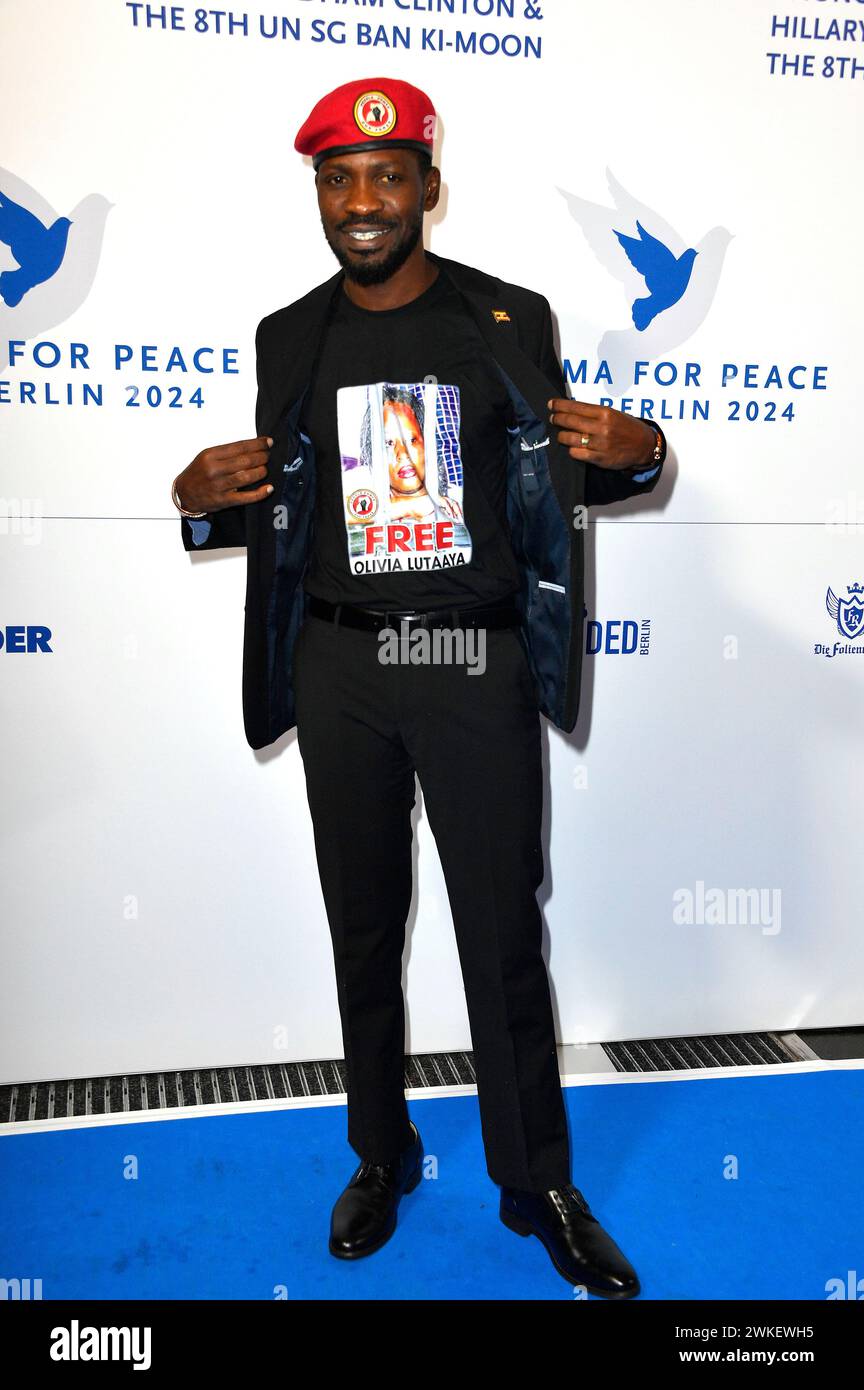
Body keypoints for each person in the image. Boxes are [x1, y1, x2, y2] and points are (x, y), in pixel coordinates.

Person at [172, 76, 667, 1298]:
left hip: (466, 658)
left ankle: (534, 1179)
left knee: (502, 928)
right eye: (337, 179)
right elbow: (279, 504)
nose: (362, 201)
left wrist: (645, 452)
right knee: (362, 924)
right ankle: (379, 1153)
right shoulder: (288, 337)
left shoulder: (507, 318)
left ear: (429, 190)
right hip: (339, 658)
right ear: (320, 196)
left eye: (386, 177)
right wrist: (195, 502)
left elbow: (554, 478)